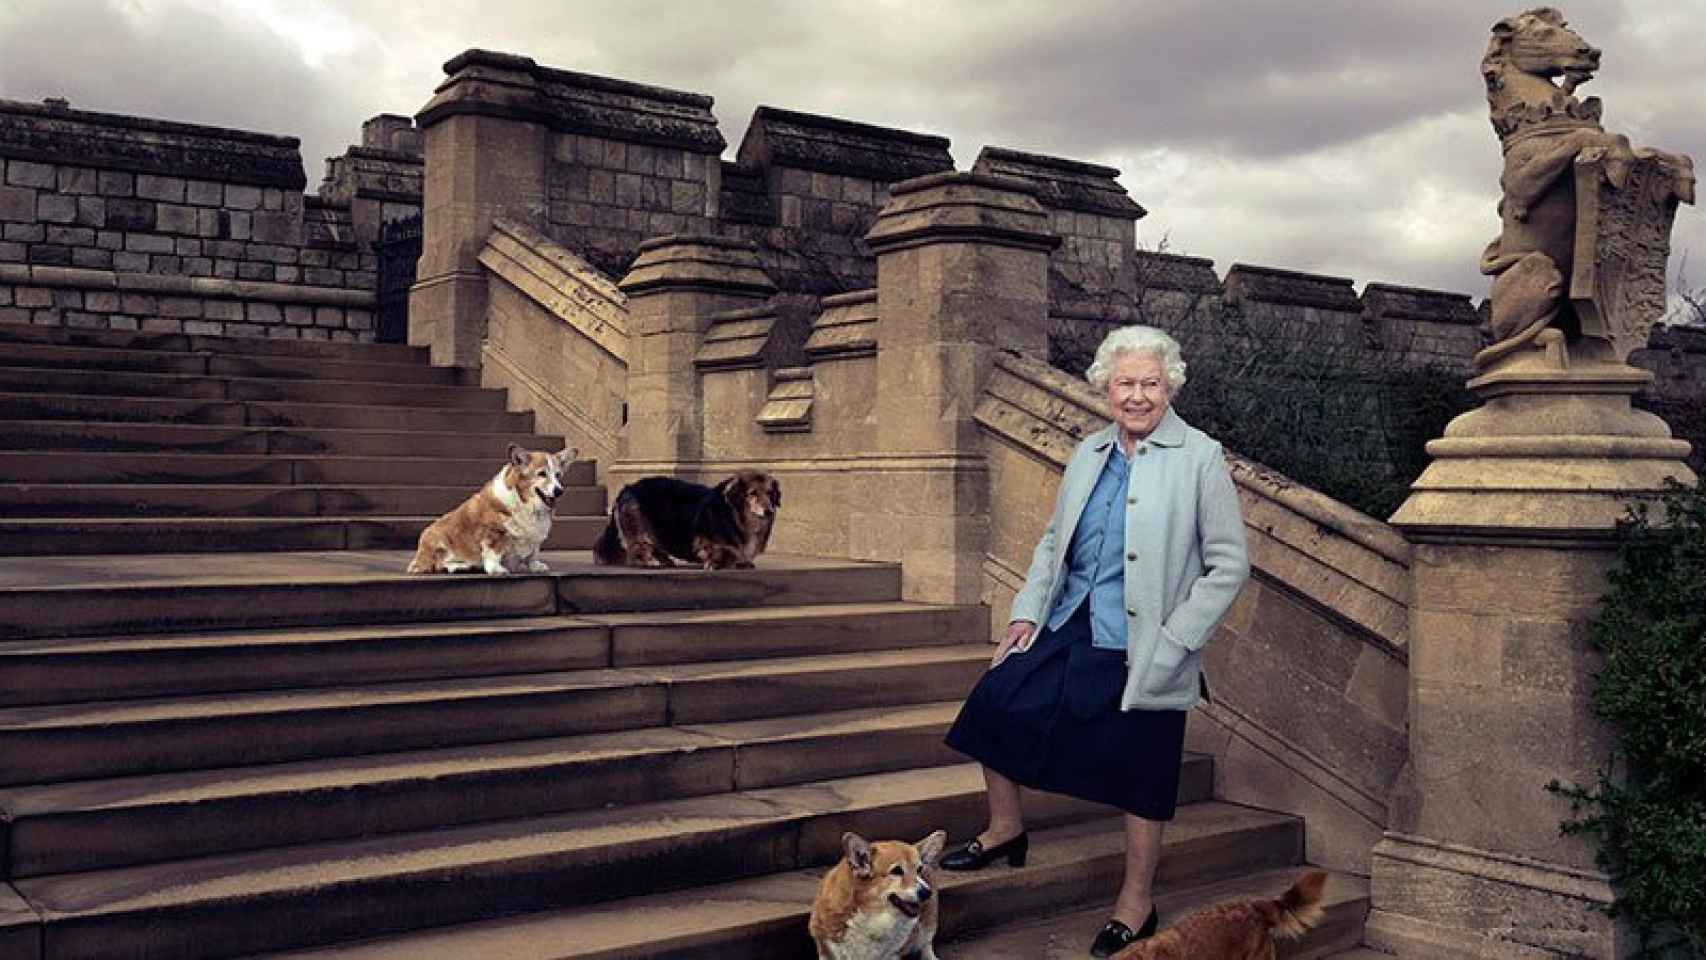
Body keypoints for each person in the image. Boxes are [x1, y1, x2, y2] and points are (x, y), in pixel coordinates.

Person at [941, 324, 1250, 957]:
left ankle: (1137, 902)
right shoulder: (1088, 452)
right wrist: (1027, 614)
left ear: (1170, 388)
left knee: (1144, 769)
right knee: (995, 703)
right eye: (1125, 384)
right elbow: (1055, 542)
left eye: (1150, 384)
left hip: (1147, 640)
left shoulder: (1199, 457)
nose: (1136, 396)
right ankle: (1005, 830)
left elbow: (1228, 563)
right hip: (1071, 618)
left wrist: (1178, 640)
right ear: (1106, 387)